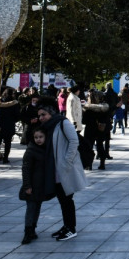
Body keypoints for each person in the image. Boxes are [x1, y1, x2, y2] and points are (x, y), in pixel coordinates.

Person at [36, 100, 88, 241]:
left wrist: (66, 161)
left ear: (51, 113)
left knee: (67, 199)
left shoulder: (62, 123)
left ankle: (71, 228)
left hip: (64, 168)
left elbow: (74, 141)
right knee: (62, 199)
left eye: (43, 114)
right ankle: (67, 226)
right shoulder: (48, 126)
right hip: (55, 168)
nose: (41, 118)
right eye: (39, 115)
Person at [19, 126, 52, 245]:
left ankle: (33, 229)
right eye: (36, 137)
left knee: (37, 207)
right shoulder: (31, 150)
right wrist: (27, 185)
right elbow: (26, 169)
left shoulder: (46, 149)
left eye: (41, 137)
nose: (38, 139)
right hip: (32, 185)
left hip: (41, 185)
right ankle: (27, 231)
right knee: (31, 208)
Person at [0, 88, 20, 164]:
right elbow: (17, 116)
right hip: (9, 125)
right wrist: (13, 120)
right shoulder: (15, 103)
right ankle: (5, 158)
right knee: (8, 143)